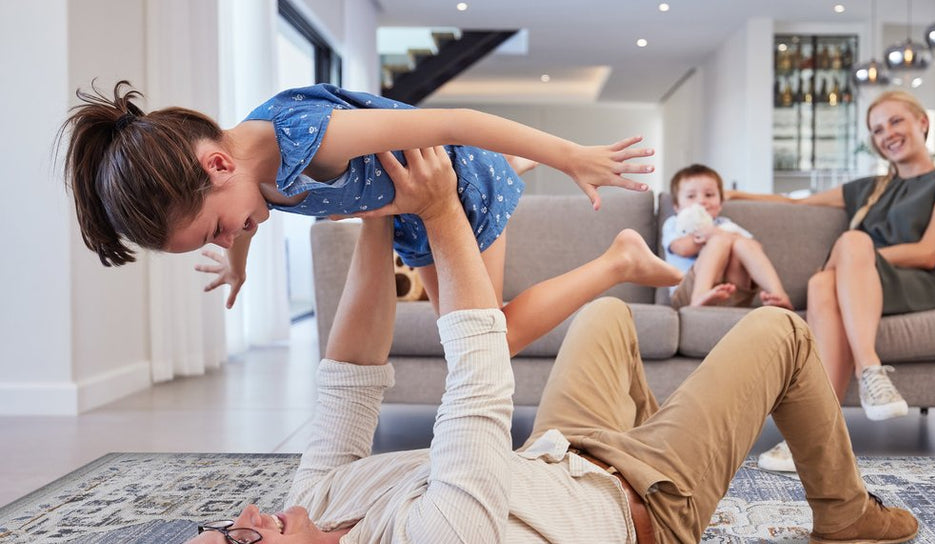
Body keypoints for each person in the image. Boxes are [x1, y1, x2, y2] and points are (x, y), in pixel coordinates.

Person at [140, 146, 919, 544]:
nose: (250, 513)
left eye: (225, 522)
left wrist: (379, 213)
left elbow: (348, 380)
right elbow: (478, 384)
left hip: (564, 455)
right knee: (781, 332)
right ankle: (845, 514)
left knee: (606, 321)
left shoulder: (306, 518)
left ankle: (668, 428)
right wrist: (441, 215)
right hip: (645, 505)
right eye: (240, 540)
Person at [60, 80, 676, 356]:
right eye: (213, 241)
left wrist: (572, 155)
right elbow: (253, 217)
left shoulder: (311, 137)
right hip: (408, 211)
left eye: (218, 230)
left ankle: (618, 256)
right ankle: (509, 166)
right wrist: (237, 263)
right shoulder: (249, 175)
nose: (232, 234)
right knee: (476, 335)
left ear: (218, 164)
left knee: (493, 341)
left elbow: (454, 121)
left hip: (452, 188)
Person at [727, 90, 935, 474]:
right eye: (877, 130)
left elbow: (929, 251)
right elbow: (796, 204)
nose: (887, 134)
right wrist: (734, 195)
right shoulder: (868, 188)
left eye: (896, 121)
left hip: (916, 284)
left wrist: (855, 258)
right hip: (857, 284)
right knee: (819, 284)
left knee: (852, 243)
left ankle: (870, 369)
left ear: (922, 123)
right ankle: (815, 432)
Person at [662, 163, 793, 310]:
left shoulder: (724, 224)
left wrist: (722, 234)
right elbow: (681, 248)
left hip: (732, 293)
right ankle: (700, 294)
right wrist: (708, 236)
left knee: (741, 243)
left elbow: (755, 248)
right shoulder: (674, 223)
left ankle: (778, 293)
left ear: (720, 204)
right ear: (677, 206)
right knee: (720, 240)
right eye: (691, 196)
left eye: (709, 195)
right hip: (688, 293)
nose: (701, 201)